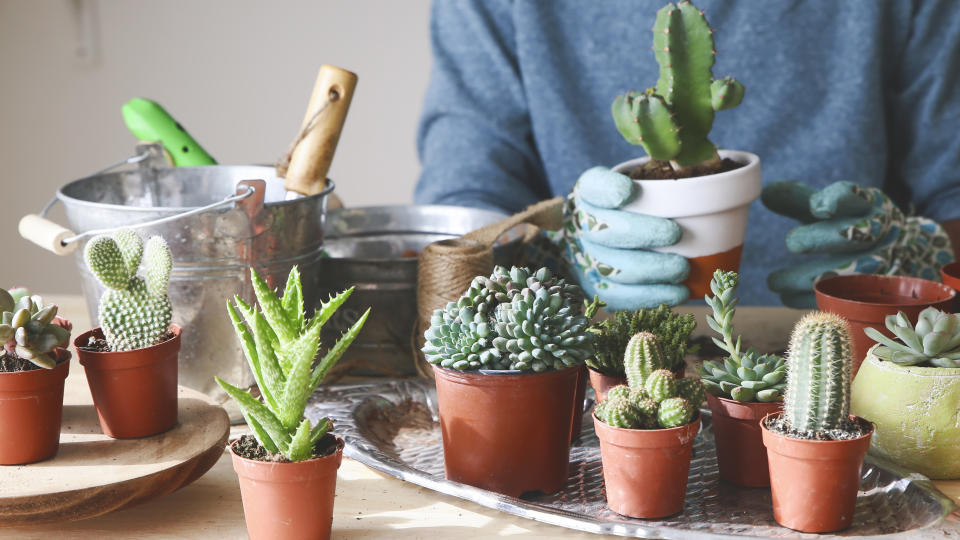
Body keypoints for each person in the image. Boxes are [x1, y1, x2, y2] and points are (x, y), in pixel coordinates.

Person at [414, 0, 960, 308]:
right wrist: (554, 258)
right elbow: (462, 216)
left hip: (864, 374)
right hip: (595, 388)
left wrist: (922, 260)